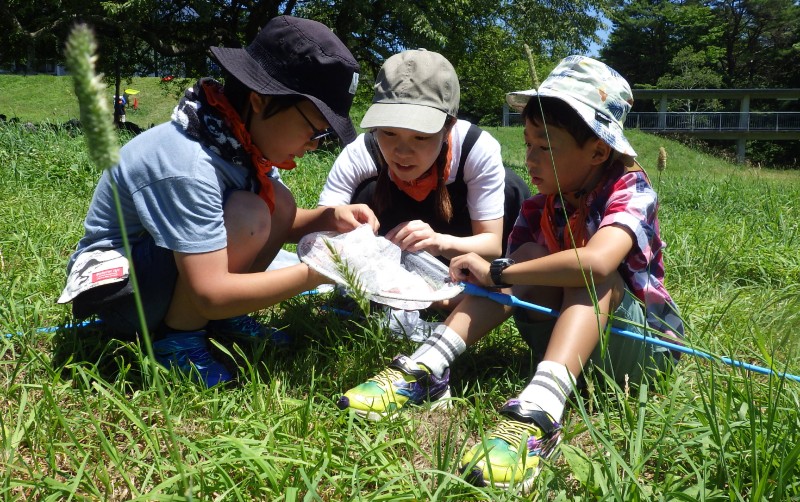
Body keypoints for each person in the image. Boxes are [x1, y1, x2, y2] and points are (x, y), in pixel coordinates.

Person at [336, 56, 685, 491]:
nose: (530, 160)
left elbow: (596, 262)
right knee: (533, 253)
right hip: (564, 339)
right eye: (528, 144)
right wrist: (485, 279)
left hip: (639, 356)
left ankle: (541, 411)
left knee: (585, 271)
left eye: (546, 147)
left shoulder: (631, 190)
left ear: (598, 149)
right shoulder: (542, 205)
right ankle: (429, 366)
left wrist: (499, 273)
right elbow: (514, 278)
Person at [59, 16, 376, 388]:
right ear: (260, 101)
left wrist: (329, 218)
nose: (316, 144)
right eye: (315, 128)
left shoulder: (231, 141)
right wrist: (319, 272)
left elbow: (278, 222)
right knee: (251, 211)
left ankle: (219, 320)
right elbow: (211, 289)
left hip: (168, 275)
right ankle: (176, 342)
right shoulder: (189, 162)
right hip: (123, 296)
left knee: (279, 202)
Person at [317, 49, 529, 338]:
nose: (402, 152)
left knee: (511, 187)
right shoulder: (360, 152)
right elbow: (321, 233)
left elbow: (491, 243)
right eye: (389, 133)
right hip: (391, 251)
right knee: (362, 192)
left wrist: (439, 241)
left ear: (448, 127)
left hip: (458, 249)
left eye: (421, 136)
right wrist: (342, 226)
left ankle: (460, 294)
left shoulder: (476, 149)